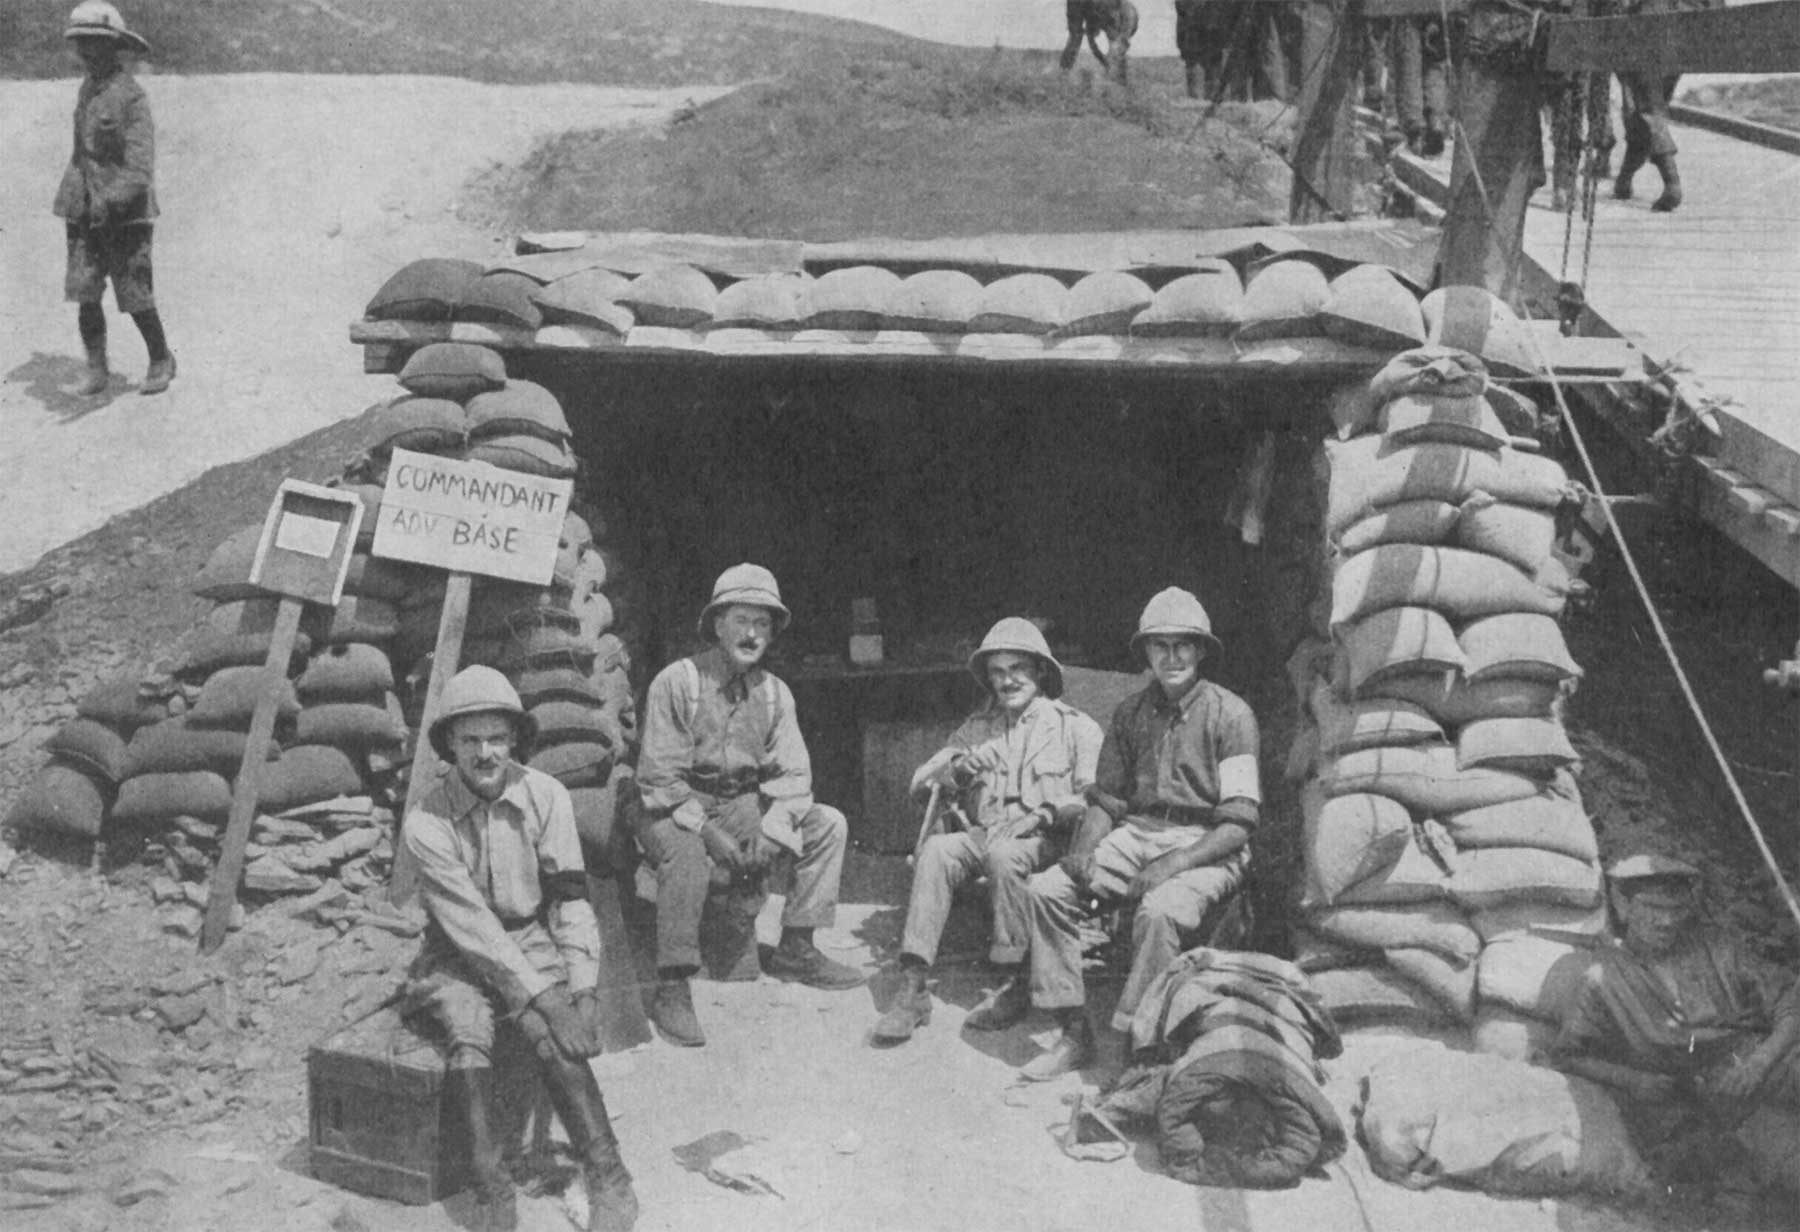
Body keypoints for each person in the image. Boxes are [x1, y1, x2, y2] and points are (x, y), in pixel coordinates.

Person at [400, 666, 636, 1232]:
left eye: (497, 738)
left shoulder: (545, 795)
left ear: (515, 740)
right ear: (449, 744)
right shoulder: (426, 821)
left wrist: (581, 993)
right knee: (468, 1030)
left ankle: (609, 1175)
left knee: (556, 1036)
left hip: (529, 935)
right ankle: (492, 1191)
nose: (485, 753)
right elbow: (474, 930)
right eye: (470, 740)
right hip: (456, 947)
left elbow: (571, 898)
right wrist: (546, 999)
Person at [1019, 587, 1259, 1082]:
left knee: (1159, 911)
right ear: (1145, 652)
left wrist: (1174, 863)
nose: (1171, 657)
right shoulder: (1130, 714)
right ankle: (1073, 1031)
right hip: (1137, 832)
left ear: (1200, 650)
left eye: (1182, 645)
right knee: (1046, 889)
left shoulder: (1231, 715)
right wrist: (1083, 849)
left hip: (1206, 842)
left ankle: (1144, 1047)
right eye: (1159, 646)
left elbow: (1238, 822)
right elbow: (1107, 800)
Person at [632, 564, 864, 1048]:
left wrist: (773, 828)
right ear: (717, 624)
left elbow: (794, 776)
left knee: (828, 824)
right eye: (741, 620)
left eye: (762, 623)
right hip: (673, 804)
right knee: (686, 853)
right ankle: (672, 984)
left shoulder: (775, 694)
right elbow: (658, 777)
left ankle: (797, 947)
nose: (752, 634)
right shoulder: (678, 682)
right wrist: (707, 831)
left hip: (740, 801)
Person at [871, 618, 1104, 1045]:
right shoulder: (978, 728)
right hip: (987, 834)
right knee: (937, 850)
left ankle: (1015, 980)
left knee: (1005, 855)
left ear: (1040, 671)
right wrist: (958, 770)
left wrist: (1043, 815)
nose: (1007, 681)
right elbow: (920, 784)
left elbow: (1093, 799)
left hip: (1046, 841)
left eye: (1017, 668)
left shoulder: (1075, 727)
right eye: (997, 672)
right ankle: (913, 987)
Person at [1551, 854, 1800, 1220]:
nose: (1667, 921)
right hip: (1718, 1101)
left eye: (1676, 909)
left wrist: (1760, 1062)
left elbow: (1789, 1001)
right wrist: (1633, 1080)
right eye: (1653, 908)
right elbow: (1569, 1055)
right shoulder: (1603, 980)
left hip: (1770, 1061)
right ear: (1623, 905)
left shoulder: (1718, 948)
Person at [54, 2, 176, 397]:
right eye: (81, 43)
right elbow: (82, 153)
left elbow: (139, 167)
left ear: (114, 48)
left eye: (95, 43)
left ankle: (160, 358)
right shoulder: (87, 88)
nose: (86, 52)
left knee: (134, 292)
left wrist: (110, 201)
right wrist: (79, 200)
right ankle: (96, 368)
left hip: (126, 216)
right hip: (83, 208)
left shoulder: (132, 97)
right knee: (85, 291)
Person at [1060, 0, 1138, 85]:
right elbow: (1088, 42)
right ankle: (1064, 71)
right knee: (1076, 36)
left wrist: (1106, 64)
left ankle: (1119, 80)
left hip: (1121, 15)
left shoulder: (1119, 14)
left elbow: (1093, 43)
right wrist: (1105, 63)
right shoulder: (1091, 13)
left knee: (1116, 48)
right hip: (1104, 12)